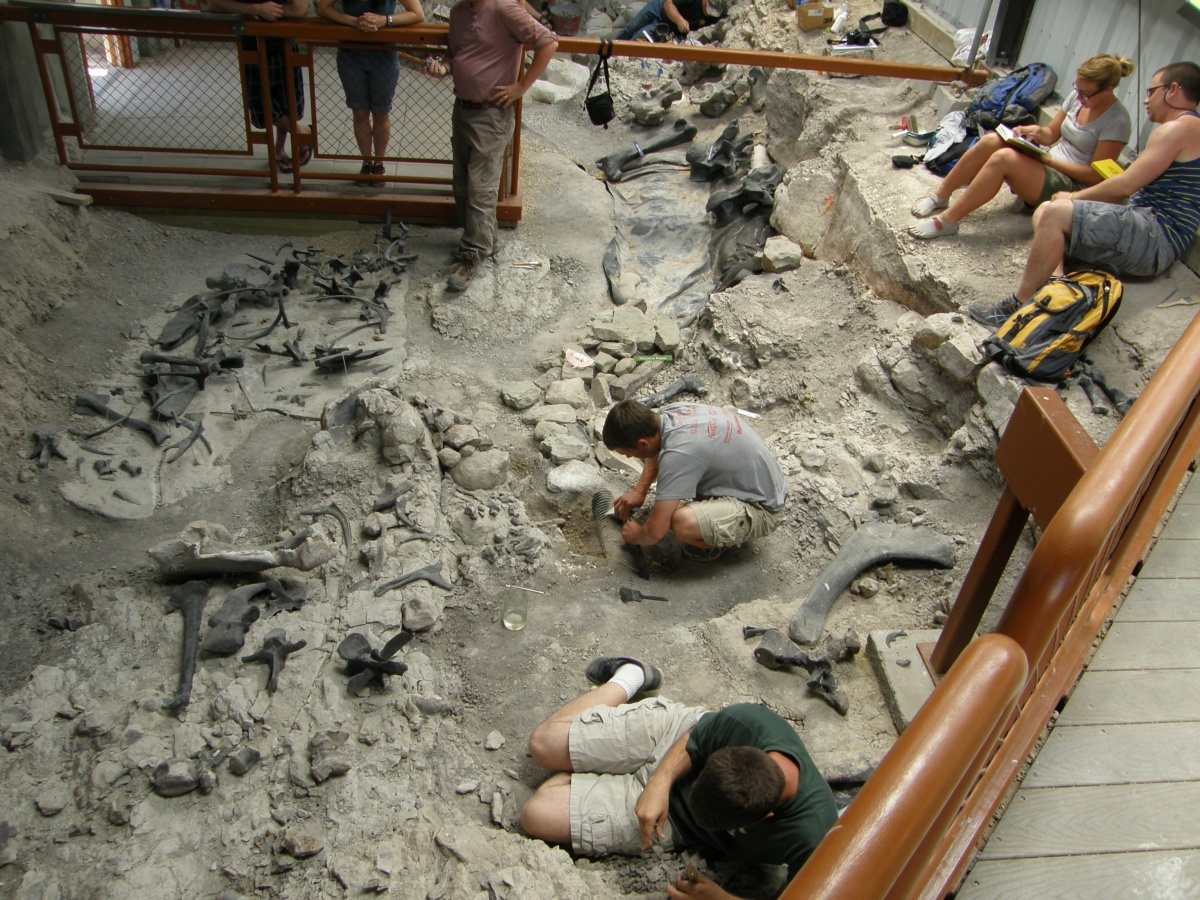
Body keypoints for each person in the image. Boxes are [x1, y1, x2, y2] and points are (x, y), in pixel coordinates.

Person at [520, 656, 839, 900]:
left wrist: (721, 898)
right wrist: (660, 782)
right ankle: (632, 676)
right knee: (543, 746)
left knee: (535, 814)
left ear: (765, 817)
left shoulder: (812, 835)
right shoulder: (751, 724)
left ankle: (589, 772)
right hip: (675, 736)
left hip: (676, 821)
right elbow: (693, 740)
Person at [970, 61, 1200, 328]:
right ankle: (1056, 292)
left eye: (1151, 91)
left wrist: (1073, 198)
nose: (1146, 100)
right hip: (1146, 229)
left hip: (1155, 236)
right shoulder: (1187, 129)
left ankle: (1017, 307)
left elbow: (1126, 184)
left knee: (1055, 211)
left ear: (1172, 90)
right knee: (1046, 210)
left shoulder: (1178, 128)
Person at [909, 54, 1135, 240]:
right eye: (1078, 89)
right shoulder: (1077, 100)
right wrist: (1033, 131)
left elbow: (1095, 176)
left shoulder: (1117, 121)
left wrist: (1047, 161)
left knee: (1003, 159)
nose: (1080, 97)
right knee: (991, 140)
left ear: (1108, 89)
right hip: (1049, 164)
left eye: (1087, 94)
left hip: (1070, 184)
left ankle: (948, 221)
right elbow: (1051, 135)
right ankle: (941, 195)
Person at [423, 1, 558, 292]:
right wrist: (443, 67)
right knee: (462, 183)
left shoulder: (503, 8)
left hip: (491, 113)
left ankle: (472, 257)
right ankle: (484, 241)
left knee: (480, 190)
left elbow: (548, 41)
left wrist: (521, 87)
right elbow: (454, 54)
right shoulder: (459, 12)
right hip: (463, 108)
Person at [602, 400, 787, 559]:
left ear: (642, 443)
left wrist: (637, 536)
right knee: (682, 477)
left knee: (681, 522)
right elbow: (657, 451)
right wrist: (639, 490)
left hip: (763, 508)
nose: (627, 457)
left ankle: (712, 547)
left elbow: (656, 530)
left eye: (627, 453)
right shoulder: (670, 414)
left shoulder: (678, 453)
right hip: (765, 483)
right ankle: (713, 516)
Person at [317, 0, 424, 187]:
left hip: (384, 55)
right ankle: (367, 163)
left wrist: (386, 21)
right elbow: (323, 8)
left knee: (381, 113)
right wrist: (353, 22)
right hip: (351, 55)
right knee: (359, 111)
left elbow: (417, 13)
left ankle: (379, 164)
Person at [207, 0, 313, 173]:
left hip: (283, 45)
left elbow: (300, 9)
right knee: (260, 104)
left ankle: (279, 150)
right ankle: (302, 132)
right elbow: (214, 4)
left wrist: (270, 12)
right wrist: (255, 8)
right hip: (252, 48)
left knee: (285, 103)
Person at [616, 0, 712, 42]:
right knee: (632, 27)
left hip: (671, 28)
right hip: (659, 8)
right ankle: (611, 48)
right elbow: (668, 4)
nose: (709, 12)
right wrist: (680, 20)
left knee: (641, 36)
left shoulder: (718, 14)